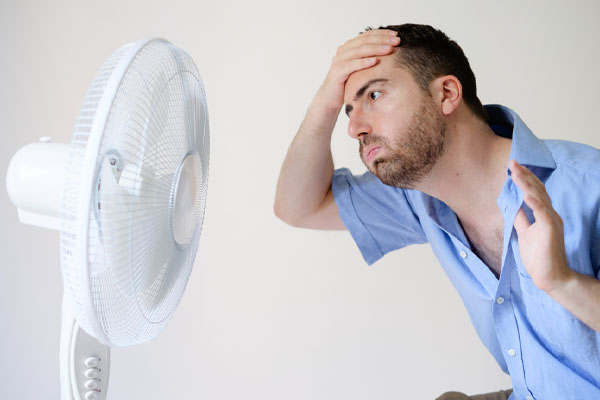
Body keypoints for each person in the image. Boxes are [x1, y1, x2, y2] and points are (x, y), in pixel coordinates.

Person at [274, 24, 600, 400]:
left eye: (374, 95)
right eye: (348, 109)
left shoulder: (587, 186)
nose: (353, 128)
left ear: (446, 93)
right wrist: (324, 103)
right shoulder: (420, 198)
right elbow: (297, 207)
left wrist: (563, 282)